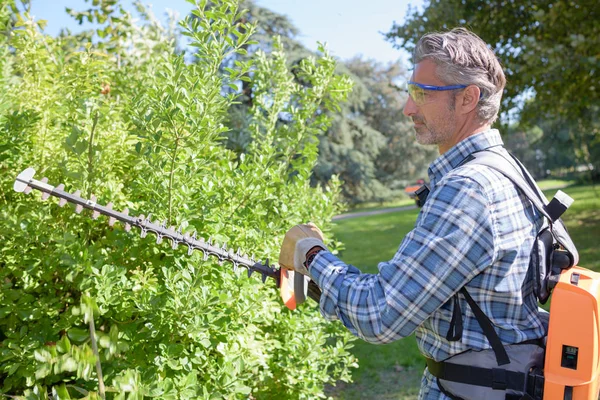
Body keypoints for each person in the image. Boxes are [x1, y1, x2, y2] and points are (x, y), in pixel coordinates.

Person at [278, 28, 548, 399]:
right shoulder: (506, 168)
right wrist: (313, 284)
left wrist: (309, 254)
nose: (408, 108)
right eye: (410, 92)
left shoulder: (469, 189)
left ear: (468, 98)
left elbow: (380, 315)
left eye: (422, 94)